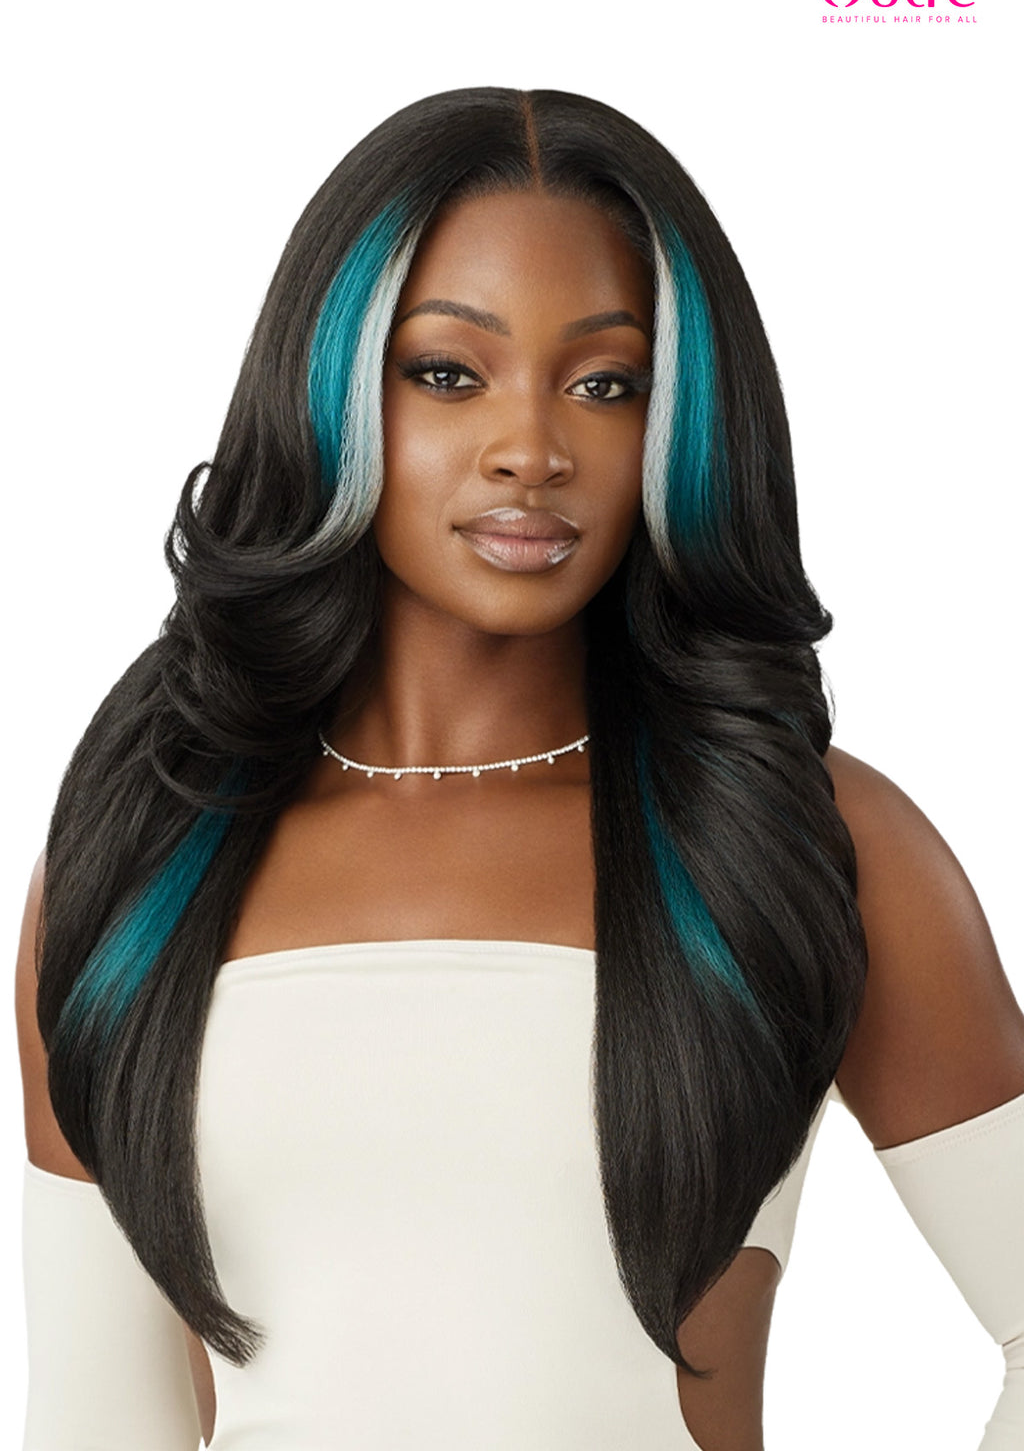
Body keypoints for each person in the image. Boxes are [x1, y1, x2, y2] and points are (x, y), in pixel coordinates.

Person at [16, 86, 1024, 1451]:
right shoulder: (149, 849)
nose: (532, 451)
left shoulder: (810, 839)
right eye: (448, 372)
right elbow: (96, 1421)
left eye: (607, 384)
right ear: (327, 390)